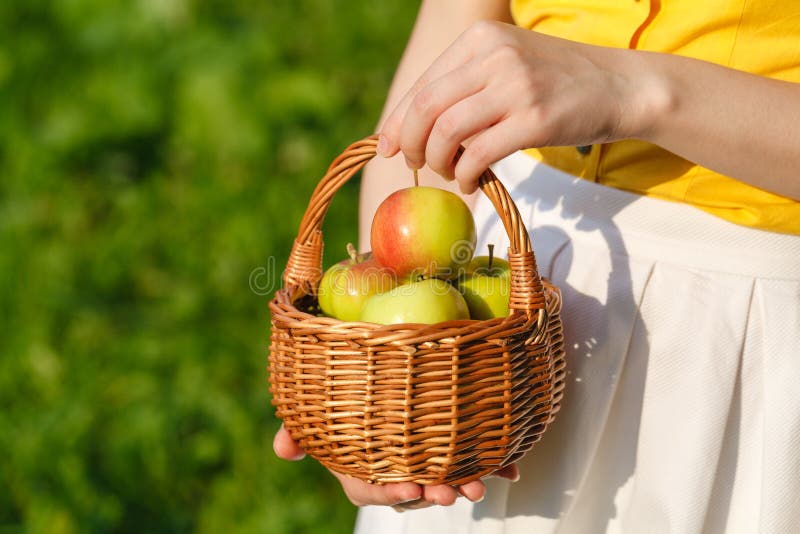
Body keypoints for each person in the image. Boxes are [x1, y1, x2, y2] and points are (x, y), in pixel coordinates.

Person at [275, 1, 800, 532]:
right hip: (481, 317)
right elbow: (442, 67)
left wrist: (632, 89)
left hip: (735, 332)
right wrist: (383, 383)